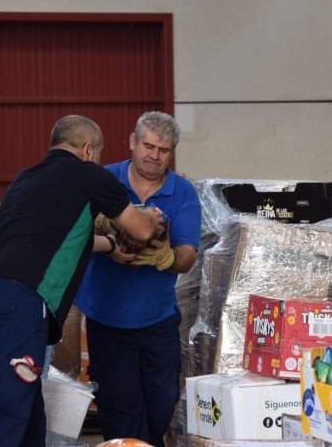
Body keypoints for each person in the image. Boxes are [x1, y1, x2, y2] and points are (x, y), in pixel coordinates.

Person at [0, 115, 164, 447]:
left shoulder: (26, 179)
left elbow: (56, 234)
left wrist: (109, 246)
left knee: (26, 414)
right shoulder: (89, 175)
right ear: (87, 149)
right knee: (2, 412)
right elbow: (139, 230)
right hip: (19, 304)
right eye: (98, 153)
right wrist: (150, 218)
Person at [74, 111, 202, 447]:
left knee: (163, 401)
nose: (154, 155)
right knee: (119, 407)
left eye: (163, 150)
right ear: (133, 141)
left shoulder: (183, 192)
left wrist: (167, 258)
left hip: (157, 318)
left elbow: (188, 253)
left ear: (171, 153)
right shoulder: (103, 179)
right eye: (148, 145)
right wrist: (108, 245)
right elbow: (73, 237)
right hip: (108, 317)